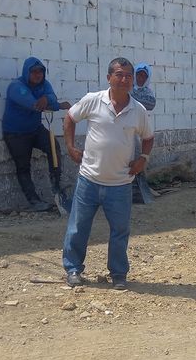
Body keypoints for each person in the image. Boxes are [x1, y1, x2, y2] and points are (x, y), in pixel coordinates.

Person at [61, 58, 154, 290]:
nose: (124, 80)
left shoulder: (138, 110)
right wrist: (70, 147)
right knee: (78, 227)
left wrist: (143, 159)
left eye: (128, 76)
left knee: (120, 232)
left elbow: (148, 137)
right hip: (89, 180)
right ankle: (73, 269)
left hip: (120, 184)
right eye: (119, 75)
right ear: (109, 78)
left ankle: (118, 274)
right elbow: (70, 117)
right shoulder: (93, 100)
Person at [2, 56, 71, 212]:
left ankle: (56, 185)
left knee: (54, 147)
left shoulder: (44, 84)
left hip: (35, 129)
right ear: (26, 72)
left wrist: (47, 98)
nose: (38, 75)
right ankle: (34, 201)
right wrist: (57, 105)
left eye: (40, 71)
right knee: (23, 166)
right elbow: (35, 105)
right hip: (16, 133)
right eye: (33, 72)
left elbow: (51, 97)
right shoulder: (16, 87)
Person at [131, 63, 156, 204]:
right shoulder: (128, 88)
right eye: (139, 75)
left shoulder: (147, 92)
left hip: (140, 129)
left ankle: (137, 188)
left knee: (138, 156)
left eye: (144, 76)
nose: (141, 78)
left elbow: (151, 104)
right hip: (125, 128)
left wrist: (133, 99)